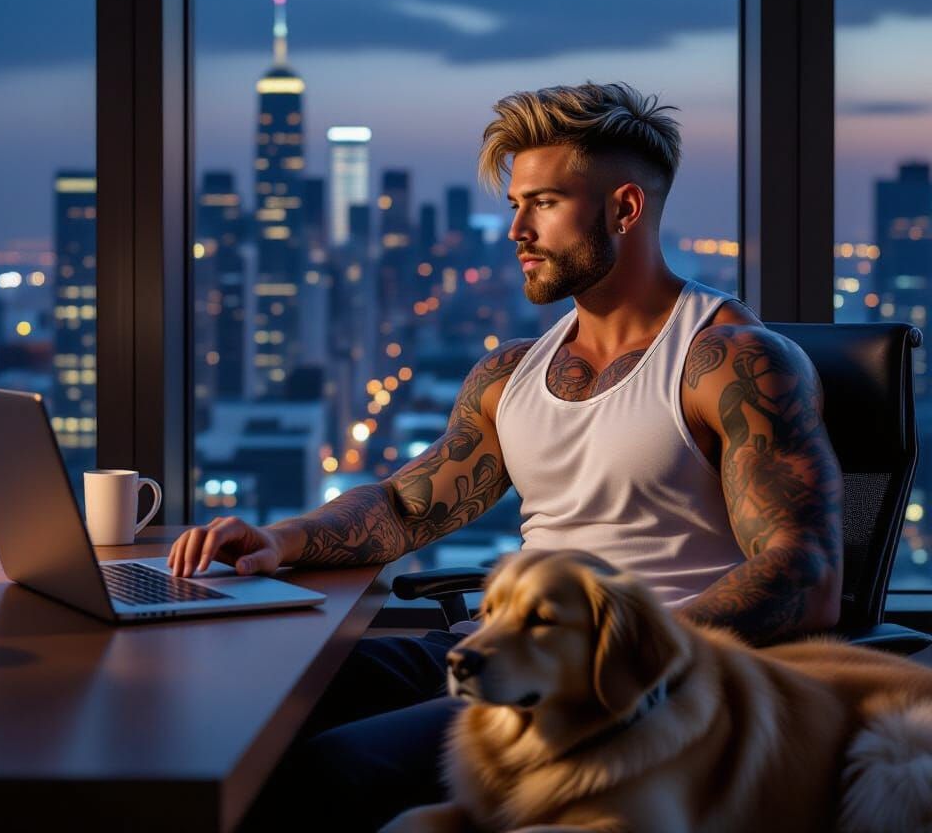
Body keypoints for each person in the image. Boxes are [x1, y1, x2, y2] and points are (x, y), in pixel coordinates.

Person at [170, 81, 844, 831]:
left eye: (544, 204)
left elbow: (804, 572)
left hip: (623, 691)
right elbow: (404, 507)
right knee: (247, 705)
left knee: (333, 771)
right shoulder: (511, 373)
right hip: (491, 650)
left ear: (624, 209)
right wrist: (281, 538)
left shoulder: (731, 361)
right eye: (516, 204)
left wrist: (629, 661)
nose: (516, 230)